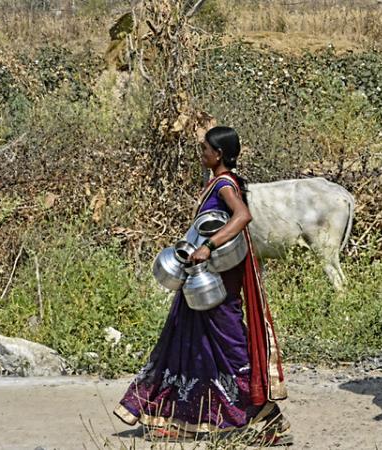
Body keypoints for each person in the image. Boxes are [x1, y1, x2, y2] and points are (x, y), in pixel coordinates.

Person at [114, 126, 289, 444]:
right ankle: (185, 416)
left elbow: (242, 216)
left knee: (229, 347)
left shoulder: (224, 184)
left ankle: (263, 416)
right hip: (206, 278)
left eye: (205, 149)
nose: (201, 153)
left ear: (218, 154)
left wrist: (208, 245)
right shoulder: (216, 182)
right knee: (196, 345)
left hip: (217, 282)